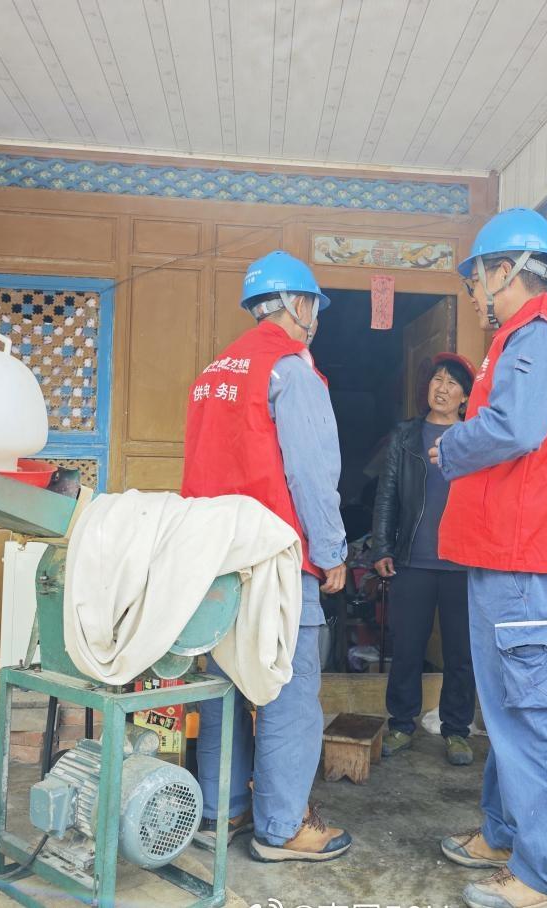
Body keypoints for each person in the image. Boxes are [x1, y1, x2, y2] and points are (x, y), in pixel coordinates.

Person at [433, 208, 547, 908]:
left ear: (505, 270)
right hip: (515, 557)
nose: (474, 293)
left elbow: (514, 427)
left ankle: (544, 875)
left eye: (477, 278)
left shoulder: (537, 335)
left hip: (527, 562)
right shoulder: (541, 337)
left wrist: (449, 449)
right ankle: (504, 834)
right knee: (507, 707)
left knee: (530, 716)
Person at [181, 250, 351, 863]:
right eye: (315, 309)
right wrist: (330, 551)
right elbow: (311, 473)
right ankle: (281, 828)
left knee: (224, 682)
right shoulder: (291, 369)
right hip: (276, 560)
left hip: (215, 560)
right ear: (299, 305)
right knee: (285, 690)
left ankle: (221, 810)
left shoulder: (213, 372)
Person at [371, 352, 478, 767]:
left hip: (463, 564)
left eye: (452, 383)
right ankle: (400, 723)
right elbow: (387, 493)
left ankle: (457, 730)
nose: (443, 388)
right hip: (413, 559)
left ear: (465, 398)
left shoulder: (474, 436)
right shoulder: (405, 435)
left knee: (460, 653)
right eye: (437, 380)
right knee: (408, 648)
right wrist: (382, 547)